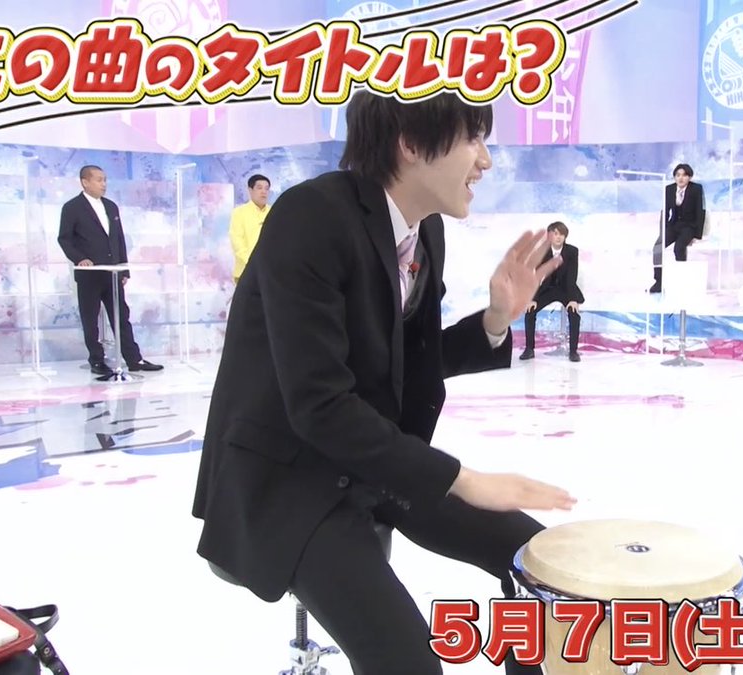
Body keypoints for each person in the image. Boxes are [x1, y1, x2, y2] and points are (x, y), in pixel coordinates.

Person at [191, 90, 575, 675]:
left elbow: (411, 362)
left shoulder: (426, 231)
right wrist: (466, 480)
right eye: (473, 138)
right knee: (408, 660)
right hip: (289, 479)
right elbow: (319, 405)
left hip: (373, 462)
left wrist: (497, 320)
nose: (485, 160)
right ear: (411, 143)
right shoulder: (310, 216)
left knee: (544, 569)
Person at [57, 165, 163, 376]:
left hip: (112, 273)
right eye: (98, 180)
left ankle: (134, 359)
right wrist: (80, 259)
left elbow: (119, 239)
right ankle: (97, 360)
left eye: (104, 179)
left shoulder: (111, 206)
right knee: (91, 319)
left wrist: (124, 270)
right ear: (85, 182)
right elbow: (64, 239)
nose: (103, 184)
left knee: (121, 316)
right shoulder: (72, 207)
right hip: (89, 274)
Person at [520, 221, 585, 362]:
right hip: (547, 288)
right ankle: (529, 349)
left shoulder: (572, 251)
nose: (559, 237)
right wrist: (533, 298)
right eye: (555, 234)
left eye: (562, 234)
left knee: (574, 314)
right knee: (530, 312)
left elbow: (572, 276)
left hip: (566, 289)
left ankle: (573, 352)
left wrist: (573, 299)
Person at [648, 163, 705, 293]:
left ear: (689, 177)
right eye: (678, 175)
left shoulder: (696, 189)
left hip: (689, 226)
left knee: (679, 248)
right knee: (657, 248)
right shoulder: (669, 189)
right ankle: (658, 282)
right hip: (673, 225)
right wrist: (663, 232)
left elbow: (700, 212)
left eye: (684, 175)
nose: (681, 178)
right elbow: (665, 211)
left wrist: (697, 235)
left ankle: (681, 280)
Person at [229, 173, 271, 283]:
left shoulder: (273, 212)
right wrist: (254, 263)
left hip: (269, 272)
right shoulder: (239, 213)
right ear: (250, 190)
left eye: (266, 188)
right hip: (244, 272)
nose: (264, 192)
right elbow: (237, 241)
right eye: (259, 188)